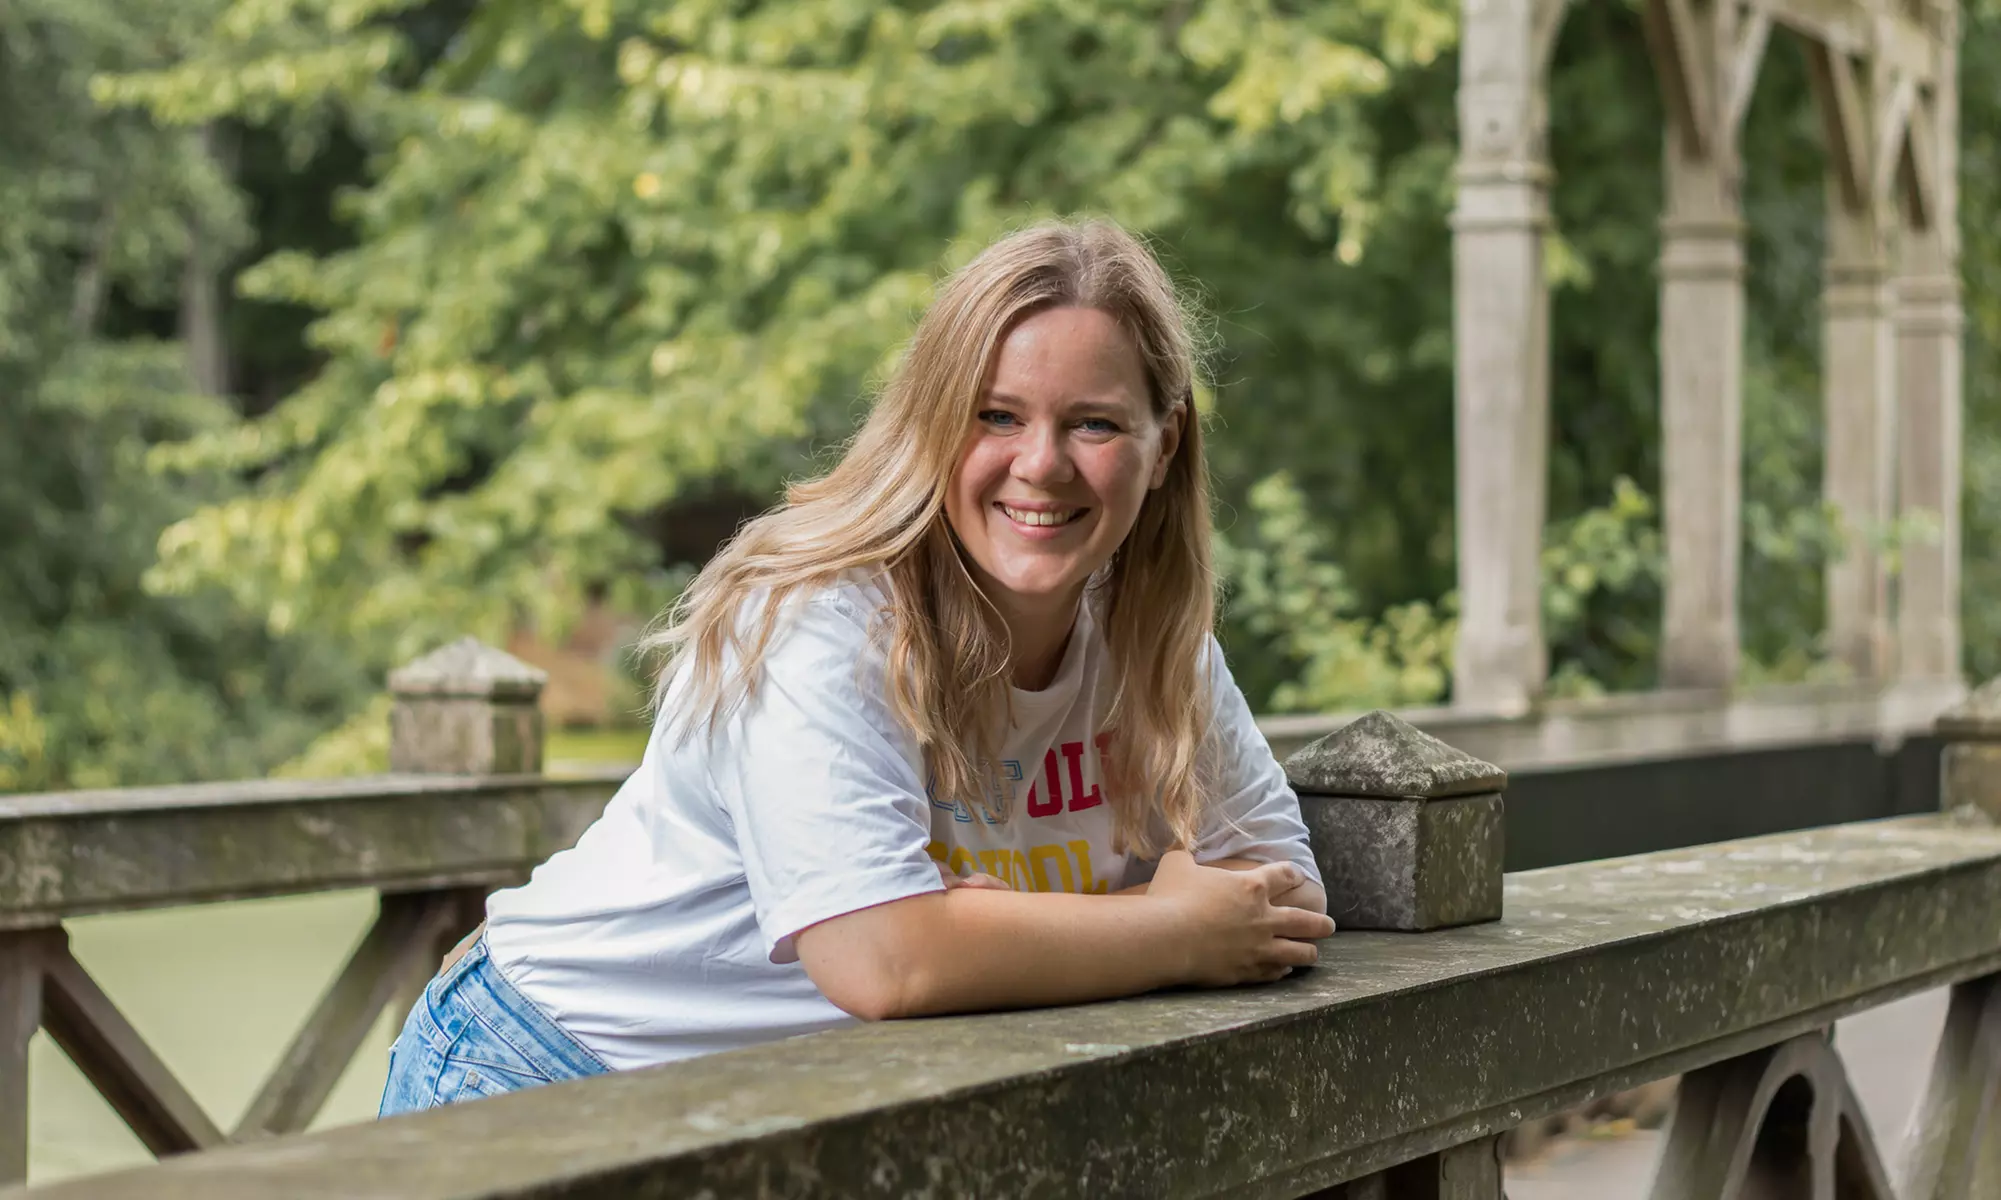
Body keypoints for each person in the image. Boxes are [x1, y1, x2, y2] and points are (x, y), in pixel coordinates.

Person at [378, 219, 1334, 1116]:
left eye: (1093, 425)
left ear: (1164, 444)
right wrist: (1169, 929)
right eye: (995, 415)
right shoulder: (822, 622)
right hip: (549, 1071)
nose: (1040, 465)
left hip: (787, 1109)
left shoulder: (1151, 639)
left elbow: (1280, 890)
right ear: (930, 425)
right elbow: (882, 960)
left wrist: (997, 934)